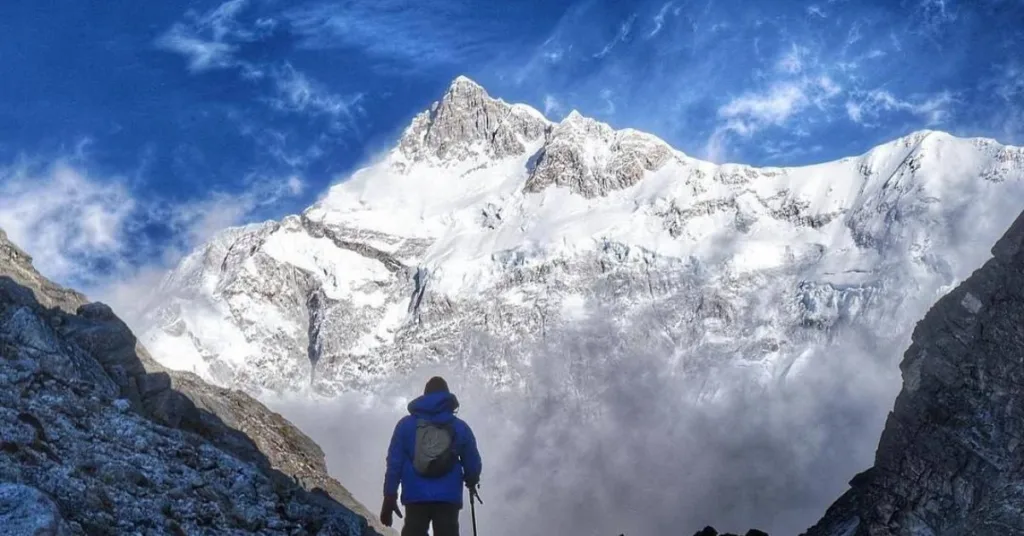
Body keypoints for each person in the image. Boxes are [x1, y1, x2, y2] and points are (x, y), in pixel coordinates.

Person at [381, 376, 482, 536]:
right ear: (447, 398)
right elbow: (472, 463)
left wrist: (389, 496)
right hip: (448, 499)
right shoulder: (460, 427)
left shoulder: (405, 425)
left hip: (415, 497)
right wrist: (472, 479)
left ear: (425, 396)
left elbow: (394, 463)